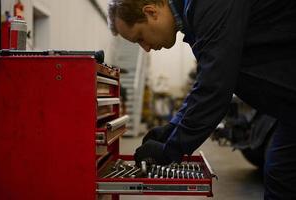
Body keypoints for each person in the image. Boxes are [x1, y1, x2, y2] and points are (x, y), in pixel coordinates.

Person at [107, 0, 296, 199]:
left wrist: (170, 150)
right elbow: (205, 82)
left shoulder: (209, 5)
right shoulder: (196, 16)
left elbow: (215, 88)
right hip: (289, 112)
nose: (145, 48)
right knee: (281, 178)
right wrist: (170, 130)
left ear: (151, 12)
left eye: (140, 37)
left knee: (282, 181)